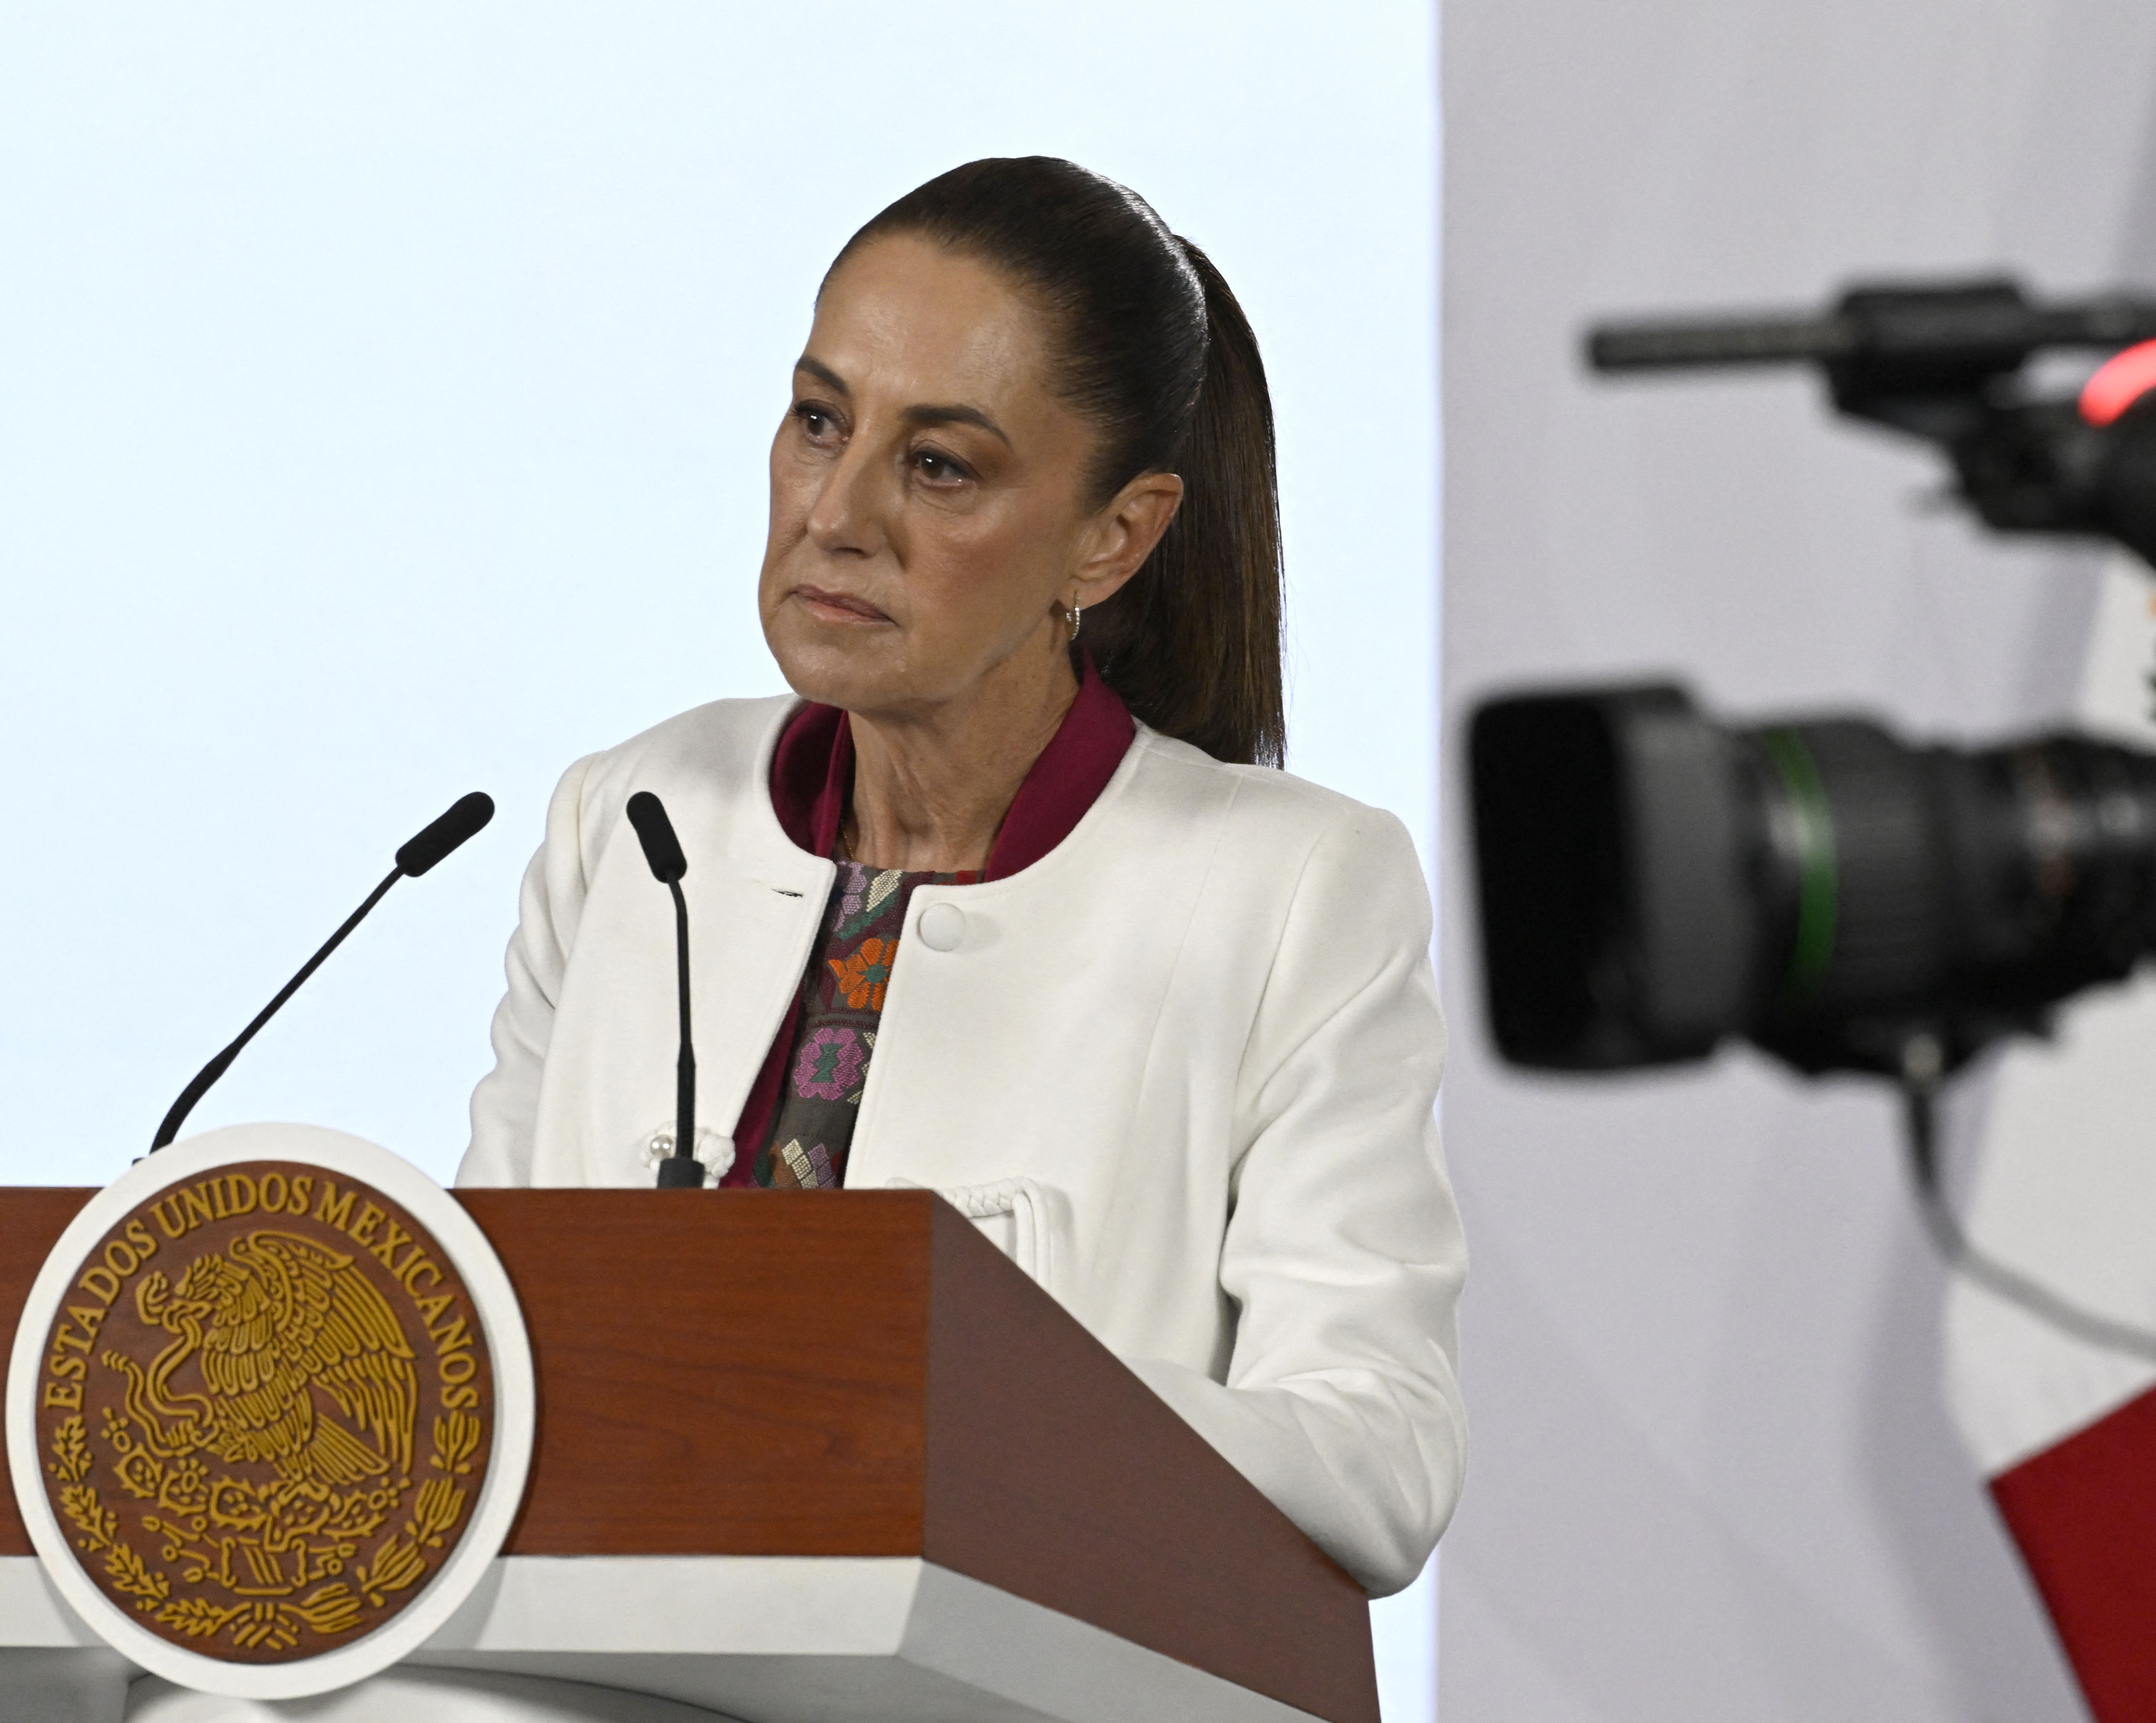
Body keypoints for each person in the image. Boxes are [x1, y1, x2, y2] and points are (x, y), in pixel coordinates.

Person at [456, 157, 1465, 1600]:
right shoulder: (634, 817)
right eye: (819, 422)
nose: (837, 512)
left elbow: (1381, 1456)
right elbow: (481, 1348)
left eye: (939, 465)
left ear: (1112, 537)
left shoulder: (1294, 888)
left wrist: (943, 1407)